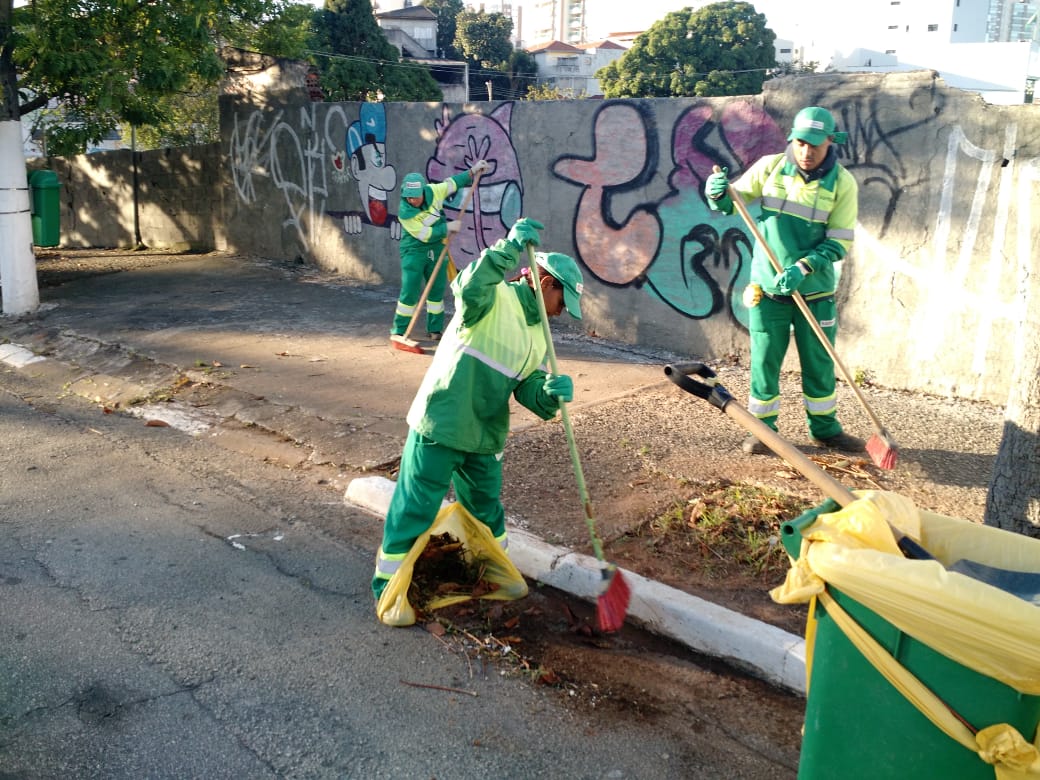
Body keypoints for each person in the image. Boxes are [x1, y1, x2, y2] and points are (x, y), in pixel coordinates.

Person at [372, 217, 585, 605]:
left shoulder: (540, 336)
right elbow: (467, 284)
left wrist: (550, 395)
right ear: (543, 281)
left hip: (485, 436)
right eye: (561, 302)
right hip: (443, 422)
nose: (561, 314)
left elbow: (527, 389)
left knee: (487, 515)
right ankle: (389, 589)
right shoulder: (491, 298)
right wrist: (506, 248)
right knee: (415, 508)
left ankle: (491, 575)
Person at [704, 106, 865, 455]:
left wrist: (803, 268)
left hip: (815, 292)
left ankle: (825, 429)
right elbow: (733, 203)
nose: (807, 152)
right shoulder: (770, 168)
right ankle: (764, 432)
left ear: (830, 144)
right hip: (767, 290)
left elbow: (839, 242)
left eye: (815, 146)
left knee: (819, 364)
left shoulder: (843, 183)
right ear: (792, 138)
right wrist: (716, 193)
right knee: (764, 363)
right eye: (801, 143)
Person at [392, 160, 490, 341]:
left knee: (436, 290)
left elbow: (452, 183)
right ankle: (399, 331)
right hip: (414, 251)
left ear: (423, 191)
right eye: (409, 197)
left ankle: (434, 330)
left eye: (416, 196)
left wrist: (472, 171)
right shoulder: (405, 212)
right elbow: (425, 234)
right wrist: (448, 227)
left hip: (437, 248)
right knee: (410, 289)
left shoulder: (434, 191)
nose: (413, 200)